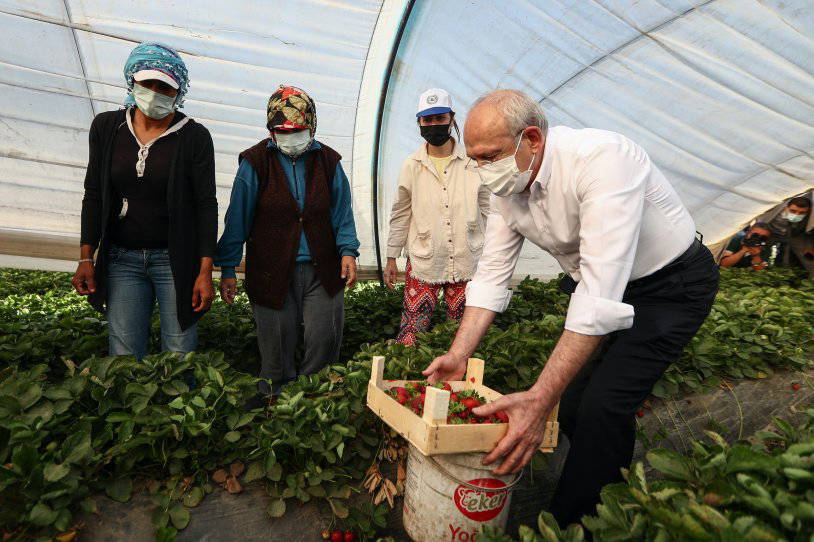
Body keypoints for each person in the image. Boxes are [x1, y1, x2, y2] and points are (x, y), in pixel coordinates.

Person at [422, 89, 719, 527]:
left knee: (604, 403)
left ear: (533, 140)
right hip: (598, 286)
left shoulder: (604, 159)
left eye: (491, 156)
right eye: (476, 160)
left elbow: (599, 297)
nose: (484, 171)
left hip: (670, 288)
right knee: (577, 407)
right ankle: (608, 477)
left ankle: (574, 524)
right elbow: (491, 275)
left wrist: (540, 399)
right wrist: (458, 353)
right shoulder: (508, 185)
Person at [215, 85, 360, 408]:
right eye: (281, 130)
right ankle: (276, 407)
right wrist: (227, 268)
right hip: (270, 269)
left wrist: (348, 250)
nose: (290, 136)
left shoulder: (328, 161)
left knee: (324, 338)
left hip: (322, 268)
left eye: (298, 130)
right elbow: (236, 219)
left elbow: (341, 212)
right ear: (271, 130)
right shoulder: (254, 164)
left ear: (312, 126)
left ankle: (316, 402)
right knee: (276, 345)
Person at [72, 42, 217, 360]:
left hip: (174, 260)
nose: (154, 92)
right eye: (147, 83)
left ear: (177, 92)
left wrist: (205, 270)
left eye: (164, 87)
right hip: (122, 258)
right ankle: (135, 408)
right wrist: (87, 257)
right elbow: (94, 194)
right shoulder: (108, 127)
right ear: (132, 82)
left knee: (179, 351)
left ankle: (176, 411)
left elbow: (206, 205)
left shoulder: (194, 136)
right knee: (124, 352)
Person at [384, 88, 490, 345]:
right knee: (412, 330)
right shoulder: (412, 165)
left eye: (440, 118)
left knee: (464, 333)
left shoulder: (473, 161)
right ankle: (411, 376)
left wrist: (493, 251)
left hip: (467, 259)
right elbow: (401, 213)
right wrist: (391, 258)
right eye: (427, 120)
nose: (434, 125)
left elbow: (489, 208)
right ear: (419, 123)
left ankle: (461, 379)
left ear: (452, 119)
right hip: (424, 261)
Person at [759, 196, 814, 278]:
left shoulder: (811, 217)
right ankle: (759, 274)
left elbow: (809, 232)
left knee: (809, 259)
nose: (797, 214)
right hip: (771, 233)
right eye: (793, 211)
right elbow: (760, 223)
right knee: (760, 252)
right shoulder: (774, 210)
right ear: (786, 208)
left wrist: (809, 247)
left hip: (795, 235)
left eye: (802, 213)